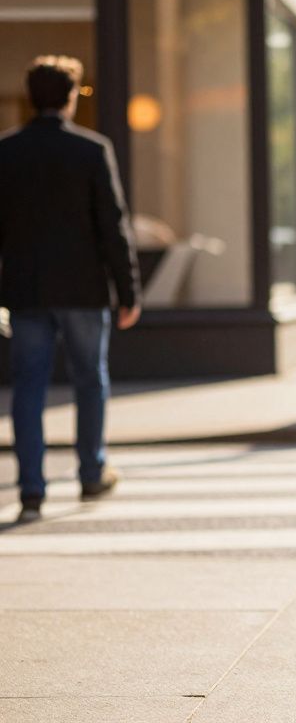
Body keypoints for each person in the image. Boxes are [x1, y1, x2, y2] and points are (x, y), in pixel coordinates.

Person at [0, 56, 141, 524]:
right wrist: (129, 292)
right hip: (83, 289)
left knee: (28, 389)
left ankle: (32, 489)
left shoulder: (7, 152)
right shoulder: (92, 149)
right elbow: (113, 228)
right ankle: (91, 471)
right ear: (70, 98)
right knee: (90, 380)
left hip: (26, 290)